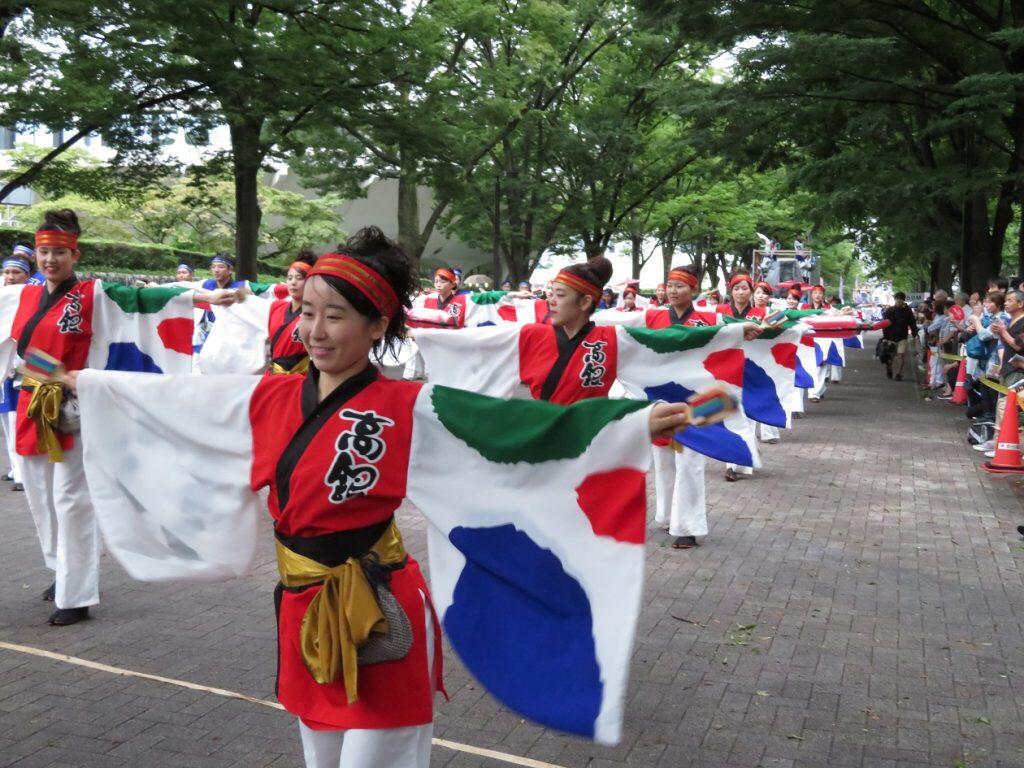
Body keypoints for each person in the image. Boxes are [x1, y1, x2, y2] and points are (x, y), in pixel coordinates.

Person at [78, 231, 697, 766]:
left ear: (378, 325)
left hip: (378, 607)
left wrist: (630, 425)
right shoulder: (269, 396)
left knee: (383, 754)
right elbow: (177, 404)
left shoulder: (409, 406)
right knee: (320, 752)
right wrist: (84, 382)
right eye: (307, 311)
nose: (314, 331)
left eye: (336, 316)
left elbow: (509, 431)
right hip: (303, 604)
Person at [4, 209, 237, 626]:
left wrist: (205, 297)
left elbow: (147, 298)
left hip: (73, 406)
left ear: (74, 255)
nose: (50, 259)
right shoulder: (21, 295)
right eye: (44, 251)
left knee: (71, 498)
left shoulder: (92, 294)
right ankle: (62, 569)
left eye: (59, 251)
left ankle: (75, 594)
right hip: (30, 402)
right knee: (41, 496)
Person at [0, 252, 32, 491]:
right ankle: (16, 469)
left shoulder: (34, 298)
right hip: (5, 369)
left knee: (20, 420)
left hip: (25, 367)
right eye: (7, 272)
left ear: (27, 275)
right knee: (8, 421)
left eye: (16, 272)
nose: (10, 277)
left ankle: (25, 473)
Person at [268, 258, 313, 374]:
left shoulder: (315, 313)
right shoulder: (276, 307)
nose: (293, 282)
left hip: (301, 378)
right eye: (289, 278)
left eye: (299, 278)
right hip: (274, 375)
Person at [882, 292, 917, 380]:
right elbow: (884, 324)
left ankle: (899, 374)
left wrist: (914, 333)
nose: (899, 300)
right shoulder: (890, 310)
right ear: (895, 299)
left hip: (903, 337)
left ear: (903, 300)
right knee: (890, 357)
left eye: (901, 299)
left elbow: (912, 322)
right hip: (891, 337)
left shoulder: (907, 311)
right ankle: (889, 368)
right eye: (897, 298)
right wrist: (885, 337)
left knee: (901, 355)